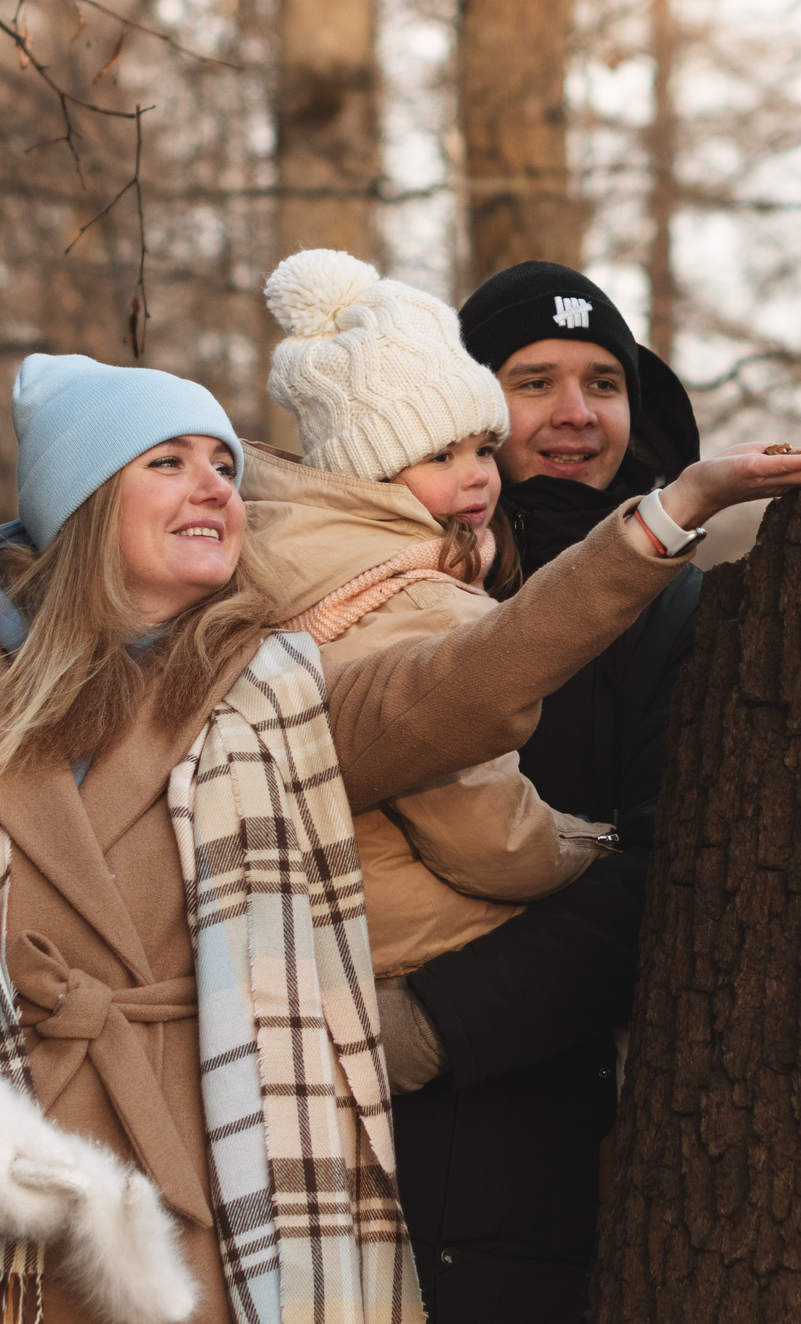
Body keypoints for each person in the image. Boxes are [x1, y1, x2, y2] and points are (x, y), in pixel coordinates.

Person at [0, 352, 801, 1324]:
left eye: (228, 464)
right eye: (171, 461)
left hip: (217, 1206)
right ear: (84, 497)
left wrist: (668, 515)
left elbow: (471, 679)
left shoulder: (274, 690)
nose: (217, 487)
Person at [386, 261, 717, 1323]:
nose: (576, 414)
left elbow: (669, 872)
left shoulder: (677, 611)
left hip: (542, 1115)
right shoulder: (386, 582)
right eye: (533, 382)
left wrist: (428, 1023)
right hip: (320, 1097)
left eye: (603, 384)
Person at [238, 250, 611, 1077]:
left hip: (321, 947)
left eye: (482, 447)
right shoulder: (409, 599)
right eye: (440, 458)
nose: (477, 477)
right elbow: (485, 836)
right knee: (628, 918)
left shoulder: (309, 554)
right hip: (400, 966)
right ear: (368, 472)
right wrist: (584, 848)